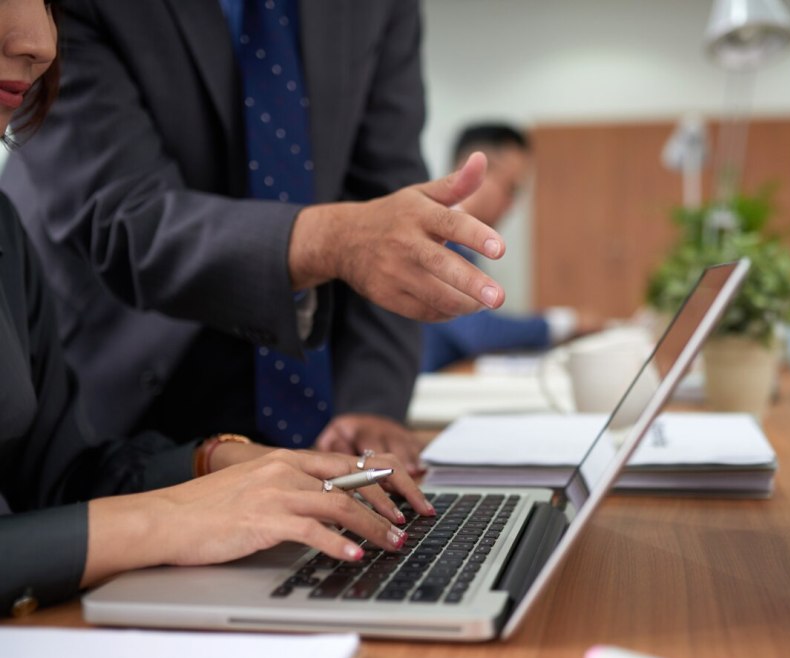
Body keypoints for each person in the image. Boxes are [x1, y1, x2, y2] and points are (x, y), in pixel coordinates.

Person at [0, 0, 435, 618]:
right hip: (134, 385)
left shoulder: (3, 230)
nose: (45, 43)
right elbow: (127, 215)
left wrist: (224, 461)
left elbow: (59, 481)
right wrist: (168, 518)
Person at [0, 0, 505, 473]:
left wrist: (372, 405)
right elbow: (122, 216)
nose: (38, 45)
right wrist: (338, 241)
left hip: (315, 417)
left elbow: (391, 199)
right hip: (123, 403)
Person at [421, 123, 603, 372]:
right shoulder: (435, 240)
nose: (512, 205)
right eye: (511, 188)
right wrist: (564, 322)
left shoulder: (458, 245)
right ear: (470, 173)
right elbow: (480, 332)